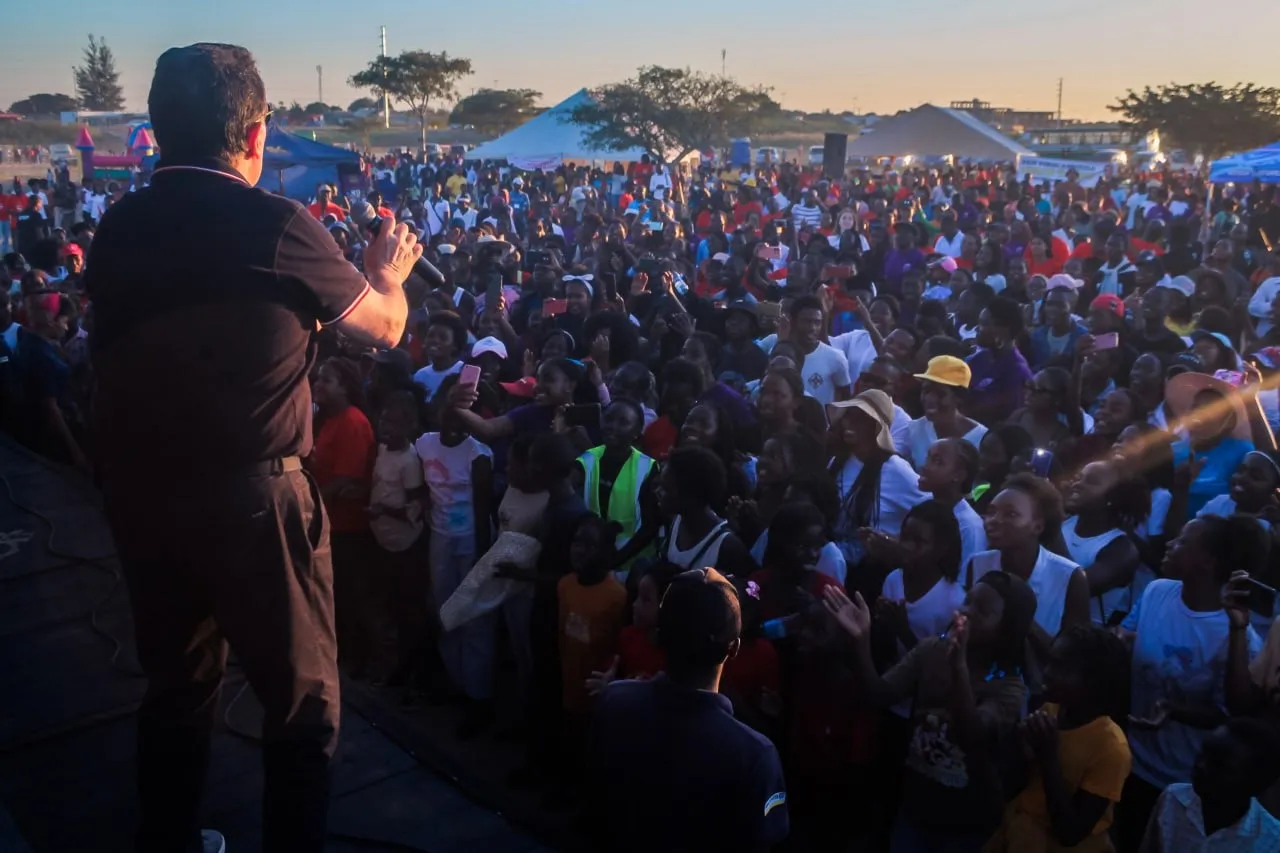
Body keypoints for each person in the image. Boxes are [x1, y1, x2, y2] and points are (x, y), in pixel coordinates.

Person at [86, 43, 416, 853]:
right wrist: (387, 274)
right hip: (255, 500)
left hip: (143, 494)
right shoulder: (276, 226)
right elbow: (382, 332)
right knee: (302, 706)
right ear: (256, 132)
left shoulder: (118, 229)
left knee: (177, 683)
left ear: (160, 129)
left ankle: (167, 837)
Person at [824, 571, 1035, 852]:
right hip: (915, 810)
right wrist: (861, 641)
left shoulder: (1008, 686)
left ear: (1008, 631)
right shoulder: (931, 650)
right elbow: (879, 694)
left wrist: (959, 668)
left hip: (967, 823)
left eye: (983, 611)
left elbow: (973, 736)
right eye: (968, 601)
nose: (967, 612)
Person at [586, 567, 790, 853]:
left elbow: (595, 804)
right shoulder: (755, 755)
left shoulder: (614, 701)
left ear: (660, 635)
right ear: (734, 648)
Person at [1114, 514, 1268, 851]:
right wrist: (1118, 641)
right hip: (1129, 759)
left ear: (1208, 561)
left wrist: (1176, 710)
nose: (1169, 544)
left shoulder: (1238, 637)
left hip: (1183, 781)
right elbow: (1126, 635)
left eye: (1182, 541)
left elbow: (1231, 712)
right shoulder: (1156, 592)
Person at [986, 624, 1132, 853]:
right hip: (1019, 834)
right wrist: (1022, 748)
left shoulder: (1111, 748)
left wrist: (1048, 756)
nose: (1047, 672)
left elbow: (1070, 832)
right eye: (1049, 662)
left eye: (1061, 667)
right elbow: (1019, 784)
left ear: (1093, 682)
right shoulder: (1051, 710)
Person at [416, 391, 495, 734]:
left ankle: (478, 695)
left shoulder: (478, 454)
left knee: (474, 617)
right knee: (446, 612)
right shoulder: (424, 444)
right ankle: (455, 682)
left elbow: (482, 510)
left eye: (460, 412)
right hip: (440, 538)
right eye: (448, 409)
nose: (452, 417)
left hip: (470, 540)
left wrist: (481, 559)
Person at [970, 474, 1090, 670]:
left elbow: (1072, 657)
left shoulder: (1070, 577)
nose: (994, 520)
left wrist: (1021, 617)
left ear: (1038, 526)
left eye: (1011, 514)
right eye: (991, 512)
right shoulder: (978, 563)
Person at [309, 358, 378, 674]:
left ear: (346, 387)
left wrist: (310, 507)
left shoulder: (352, 421)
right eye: (319, 378)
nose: (318, 384)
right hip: (330, 519)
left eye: (327, 380)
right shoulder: (327, 418)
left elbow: (345, 479)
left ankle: (358, 658)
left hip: (347, 524)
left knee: (350, 592)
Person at [1139, 718, 1280, 851]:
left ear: (1256, 786)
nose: (1201, 766)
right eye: (1202, 754)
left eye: (1220, 766)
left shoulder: (1272, 841)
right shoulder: (1173, 798)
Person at [1061, 459, 1150, 627]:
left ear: (1113, 498)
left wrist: (1052, 528)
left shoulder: (1122, 550)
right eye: (1079, 478)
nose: (1078, 484)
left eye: (1091, 481)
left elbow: (1071, 589)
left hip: (1071, 638)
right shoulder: (1064, 523)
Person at [901, 355, 988, 469]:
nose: (930, 399)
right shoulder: (914, 429)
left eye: (940, 394)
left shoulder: (981, 438)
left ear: (959, 397)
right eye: (926, 391)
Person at [966, 296, 1033, 424]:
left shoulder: (1017, 371)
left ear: (1004, 331)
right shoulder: (978, 359)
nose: (977, 329)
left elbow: (1012, 421)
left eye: (984, 324)